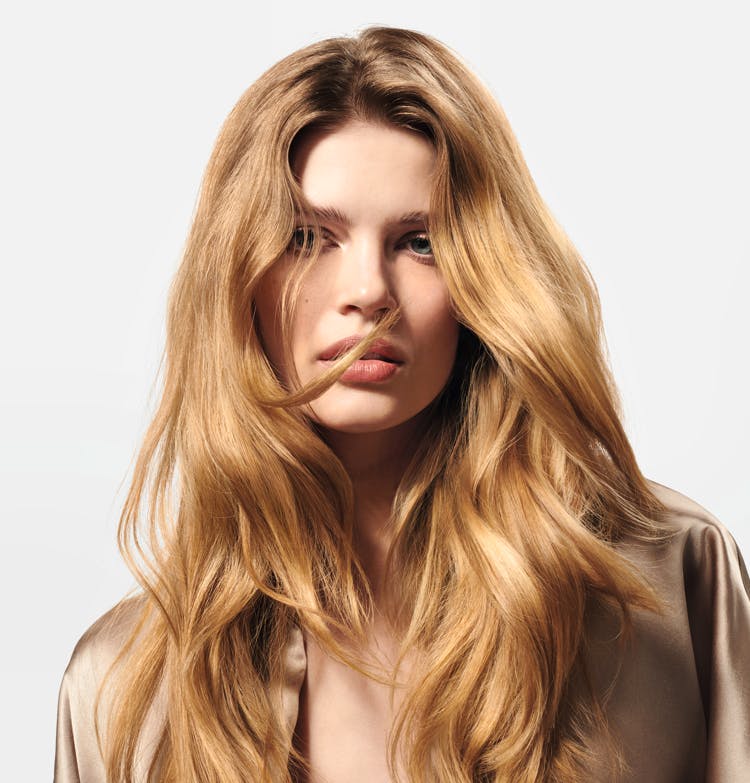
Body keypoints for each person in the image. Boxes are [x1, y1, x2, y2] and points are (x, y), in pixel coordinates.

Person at [54, 25, 750, 783]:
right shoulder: (122, 692)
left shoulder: (673, 586)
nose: (368, 292)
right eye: (306, 237)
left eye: (420, 242)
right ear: (236, 278)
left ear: (485, 275)